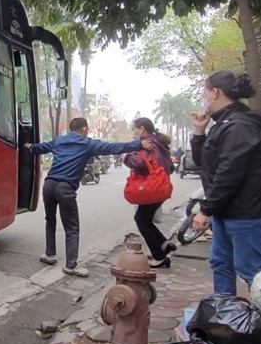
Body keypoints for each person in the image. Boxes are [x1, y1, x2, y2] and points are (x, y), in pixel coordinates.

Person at [25, 117, 153, 277]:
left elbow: (38, 148)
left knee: (50, 220)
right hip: (65, 188)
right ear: (84, 129)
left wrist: (28, 146)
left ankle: (49, 254)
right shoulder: (88, 143)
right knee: (72, 228)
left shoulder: (59, 140)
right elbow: (113, 148)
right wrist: (138, 144)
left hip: (49, 185)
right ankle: (71, 265)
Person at [190, 71, 261, 295]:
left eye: (205, 92)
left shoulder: (240, 126)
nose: (204, 97)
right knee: (221, 264)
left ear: (215, 92)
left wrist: (206, 210)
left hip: (245, 212)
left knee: (252, 272)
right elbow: (204, 162)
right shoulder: (224, 124)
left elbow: (229, 173)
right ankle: (226, 314)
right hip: (225, 211)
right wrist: (199, 131)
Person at [123, 118, 176, 268]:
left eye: (135, 130)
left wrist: (127, 157)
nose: (135, 133)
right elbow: (170, 168)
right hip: (162, 186)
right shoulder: (161, 142)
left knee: (141, 220)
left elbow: (139, 162)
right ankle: (164, 243)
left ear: (142, 129)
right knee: (143, 218)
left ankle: (159, 256)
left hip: (151, 187)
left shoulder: (147, 143)